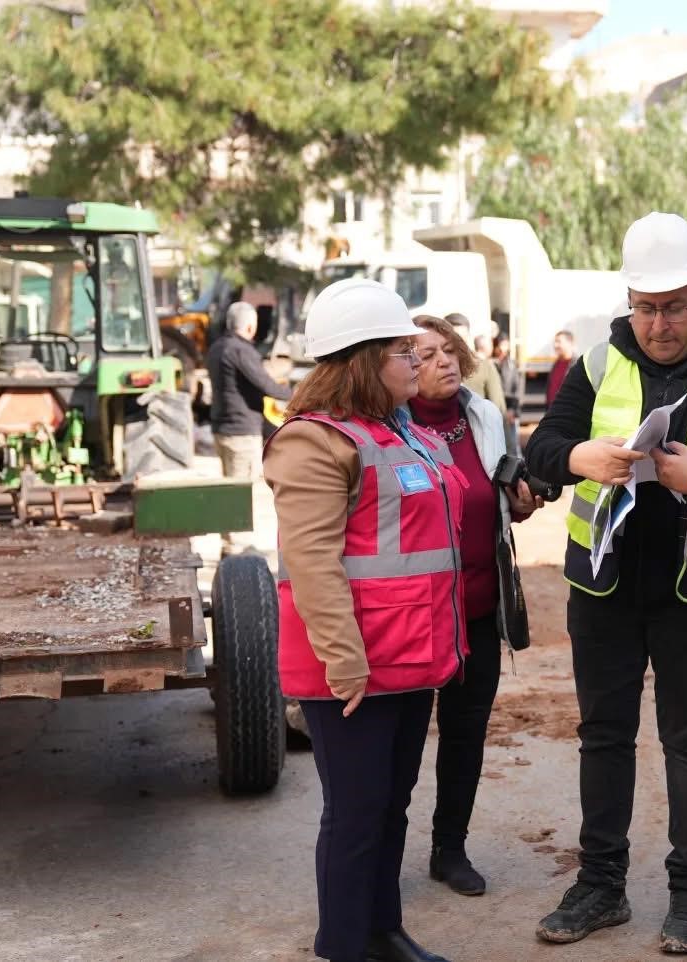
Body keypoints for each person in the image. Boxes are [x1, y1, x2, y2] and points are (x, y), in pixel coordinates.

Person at [525, 211, 687, 955]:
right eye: (646, 307)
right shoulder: (600, 364)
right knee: (604, 736)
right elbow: (543, 446)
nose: (660, 324)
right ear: (629, 301)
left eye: (674, 307)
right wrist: (582, 459)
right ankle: (600, 885)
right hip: (605, 587)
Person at [263, 278, 463, 962]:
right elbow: (312, 563)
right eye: (404, 351)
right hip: (354, 667)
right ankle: (345, 946)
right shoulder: (311, 444)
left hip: (409, 658)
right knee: (353, 818)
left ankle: (383, 932)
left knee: (390, 808)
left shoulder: (399, 432)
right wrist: (346, 664)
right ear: (363, 359)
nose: (419, 361)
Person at [408, 314, 543, 898]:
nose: (444, 361)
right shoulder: (385, 427)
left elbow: (496, 499)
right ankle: (381, 849)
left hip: (479, 611)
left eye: (447, 350)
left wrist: (520, 501)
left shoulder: (481, 416)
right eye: (424, 354)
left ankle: (449, 848)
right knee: (401, 742)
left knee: (466, 736)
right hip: (412, 617)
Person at [205, 300, 292, 552]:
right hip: (241, 431)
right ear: (251, 327)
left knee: (230, 487)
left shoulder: (216, 348)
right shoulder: (240, 351)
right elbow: (265, 384)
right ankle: (236, 546)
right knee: (240, 491)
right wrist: (296, 395)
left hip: (222, 428)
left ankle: (229, 541)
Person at [446, 312, 506, 413]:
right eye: (452, 339)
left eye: (461, 338)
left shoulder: (484, 366)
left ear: (468, 337)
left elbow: (498, 407)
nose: (457, 344)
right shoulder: (437, 367)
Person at [493, 334, 521, 454]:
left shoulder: (511, 363)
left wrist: (513, 409)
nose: (504, 348)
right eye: (502, 344)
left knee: (512, 442)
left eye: (506, 344)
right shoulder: (491, 362)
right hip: (495, 407)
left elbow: (516, 388)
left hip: (508, 407)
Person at [545, 330, 575, 409]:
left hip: (568, 413)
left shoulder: (577, 366)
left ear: (569, 343)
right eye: (555, 342)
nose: (555, 345)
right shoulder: (556, 364)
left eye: (559, 342)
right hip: (553, 412)